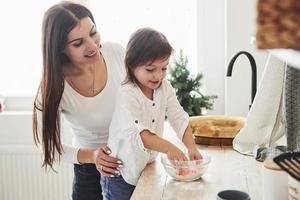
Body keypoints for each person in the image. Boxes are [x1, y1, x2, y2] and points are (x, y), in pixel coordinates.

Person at [32, 1, 125, 200]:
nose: (93, 46)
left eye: (93, 33)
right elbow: (50, 149)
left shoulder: (116, 53)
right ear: (59, 49)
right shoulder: (53, 87)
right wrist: (93, 156)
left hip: (132, 162)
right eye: (78, 43)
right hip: (90, 174)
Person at [101, 27, 202, 199]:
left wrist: (191, 147)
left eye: (164, 68)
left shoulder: (165, 87)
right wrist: (170, 148)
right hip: (120, 175)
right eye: (150, 69)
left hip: (144, 168)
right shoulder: (127, 94)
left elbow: (178, 117)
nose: (158, 75)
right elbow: (141, 135)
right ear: (132, 65)